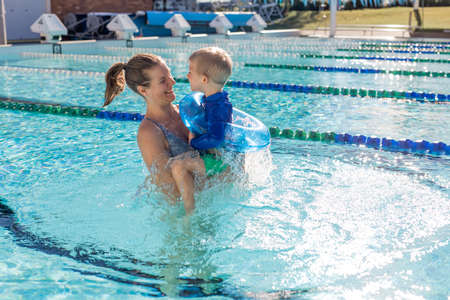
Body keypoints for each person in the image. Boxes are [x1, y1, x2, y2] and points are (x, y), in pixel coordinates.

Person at [103, 53, 194, 206]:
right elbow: (170, 191)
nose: (173, 82)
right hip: (178, 214)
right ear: (143, 90)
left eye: (170, 75)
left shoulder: (188, 112)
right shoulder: (150, 132)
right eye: (162, 81)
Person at [170, 47, 233, 214]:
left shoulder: (217, 108)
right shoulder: (214, 101)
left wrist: (194, 142)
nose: (187, 75)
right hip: (217, 158)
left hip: (220, 162)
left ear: (204, 79)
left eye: (190, 71)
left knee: (178, 166)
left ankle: (189, 211)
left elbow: (216, 138)